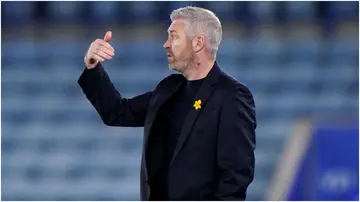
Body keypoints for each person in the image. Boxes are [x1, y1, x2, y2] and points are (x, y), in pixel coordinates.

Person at [78, 6, 256, 201]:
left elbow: (236, 175)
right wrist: (92, 66)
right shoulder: (168, 89)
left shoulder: (232, 95)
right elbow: (117, 112)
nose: (166, 44)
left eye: (174, 36)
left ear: (198, 43)